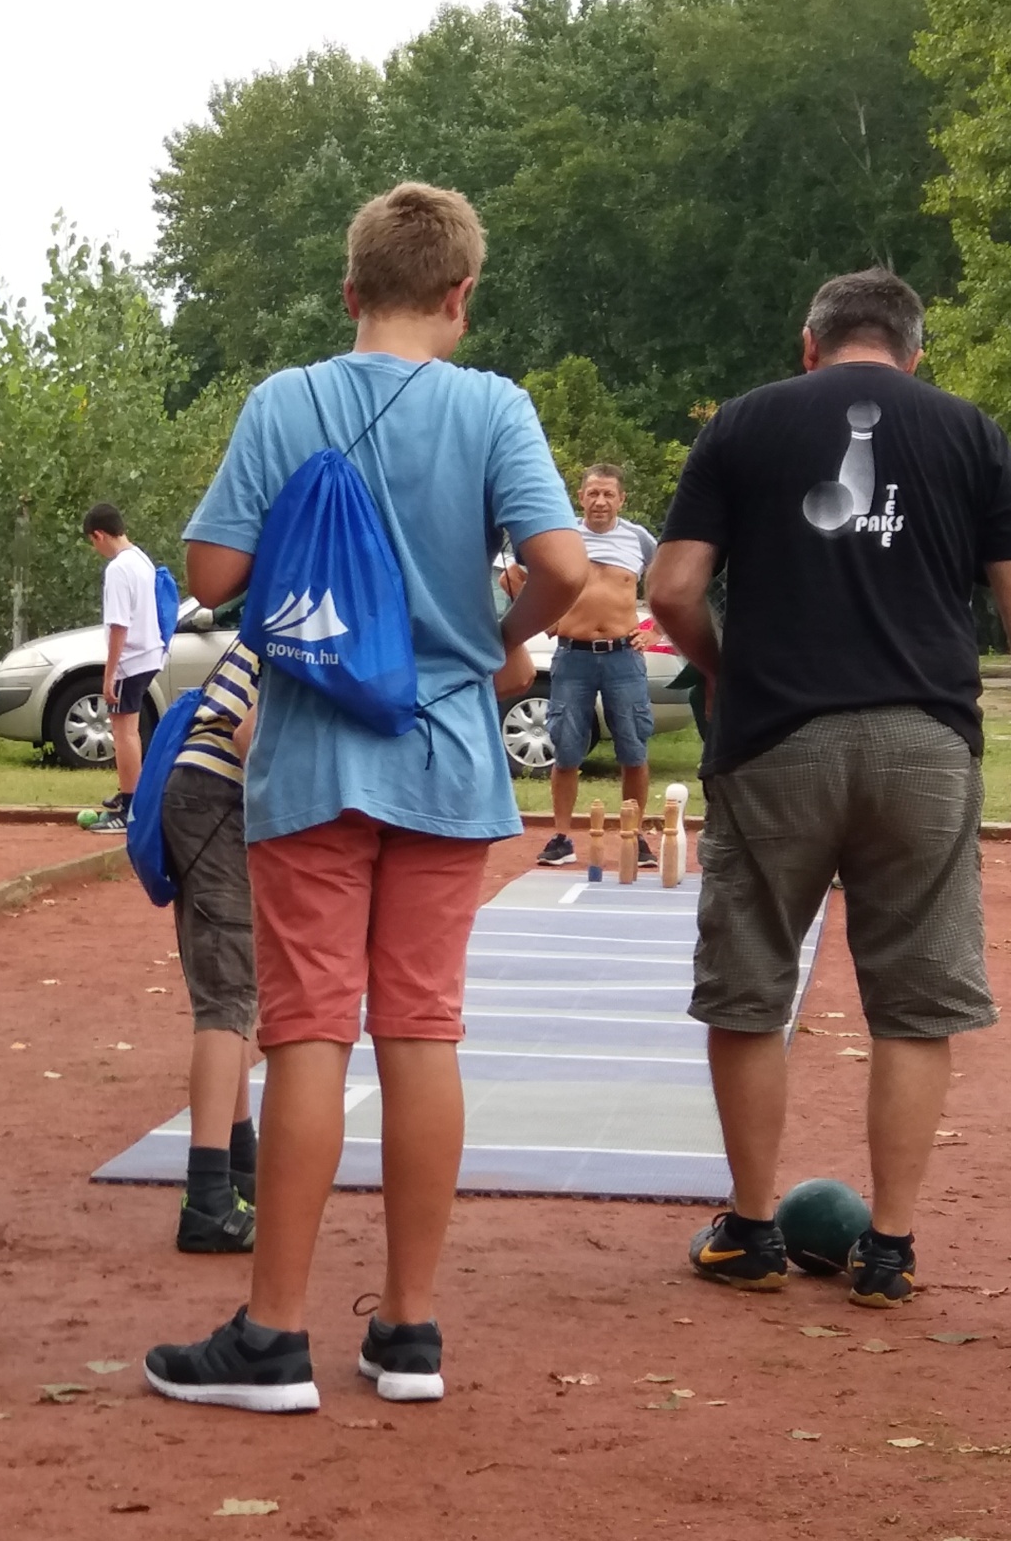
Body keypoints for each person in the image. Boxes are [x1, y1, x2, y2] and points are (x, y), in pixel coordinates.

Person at [144, 183, 587, 1412]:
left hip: (313, 758)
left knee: (306, 1032)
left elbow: (213, 572)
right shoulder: (494, 407)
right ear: (460, 295)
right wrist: (497, 642)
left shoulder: (285, 401)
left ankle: (273, 1336)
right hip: (447, 754)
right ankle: (408, 1332)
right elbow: (562, 566)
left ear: (349, 291)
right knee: (422, 1030)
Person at [646, 267, 1011, 1309]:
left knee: (751, 984)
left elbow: (672, 589)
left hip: (774, 741)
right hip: (926, 741)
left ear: (810, 346)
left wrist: (727, 668)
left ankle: (750, 1233)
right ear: (913, 355)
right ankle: (888, 1250)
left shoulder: (742, 425)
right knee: (914, 1004)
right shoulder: (972, 435)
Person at [161, 635, 262, 1254]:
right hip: (219, 798)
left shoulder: (288, 604)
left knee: (236, 993)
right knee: (228, 999)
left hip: (200, 793)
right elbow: (252, 737)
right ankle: (207, 1200)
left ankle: (241, 1167)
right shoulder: (314, 616)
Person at [508, 465, 660, 869]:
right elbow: (514, 575)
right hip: (572, 656)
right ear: (580, 497)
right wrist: (544, 618)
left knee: (633, 749)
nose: (600, 502)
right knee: (566, 749)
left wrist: (656, 632)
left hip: (623, 657)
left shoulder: (639, 539)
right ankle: (561, 837)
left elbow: (667, 582)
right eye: (593, 493)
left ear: (621, 499)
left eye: (608, 494)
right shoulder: (566, 538)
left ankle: (635, 836)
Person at [78, 503, 167, 834]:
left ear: (99, 535)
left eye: (93, 541)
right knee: (128, 730)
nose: (95, 548)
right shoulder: (141, 559)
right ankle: (133, 795)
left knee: (123, 732)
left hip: (131, 660)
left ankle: (130, 809)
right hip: (149, 653)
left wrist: (110, 673)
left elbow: (119, 625)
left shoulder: (118, 569)